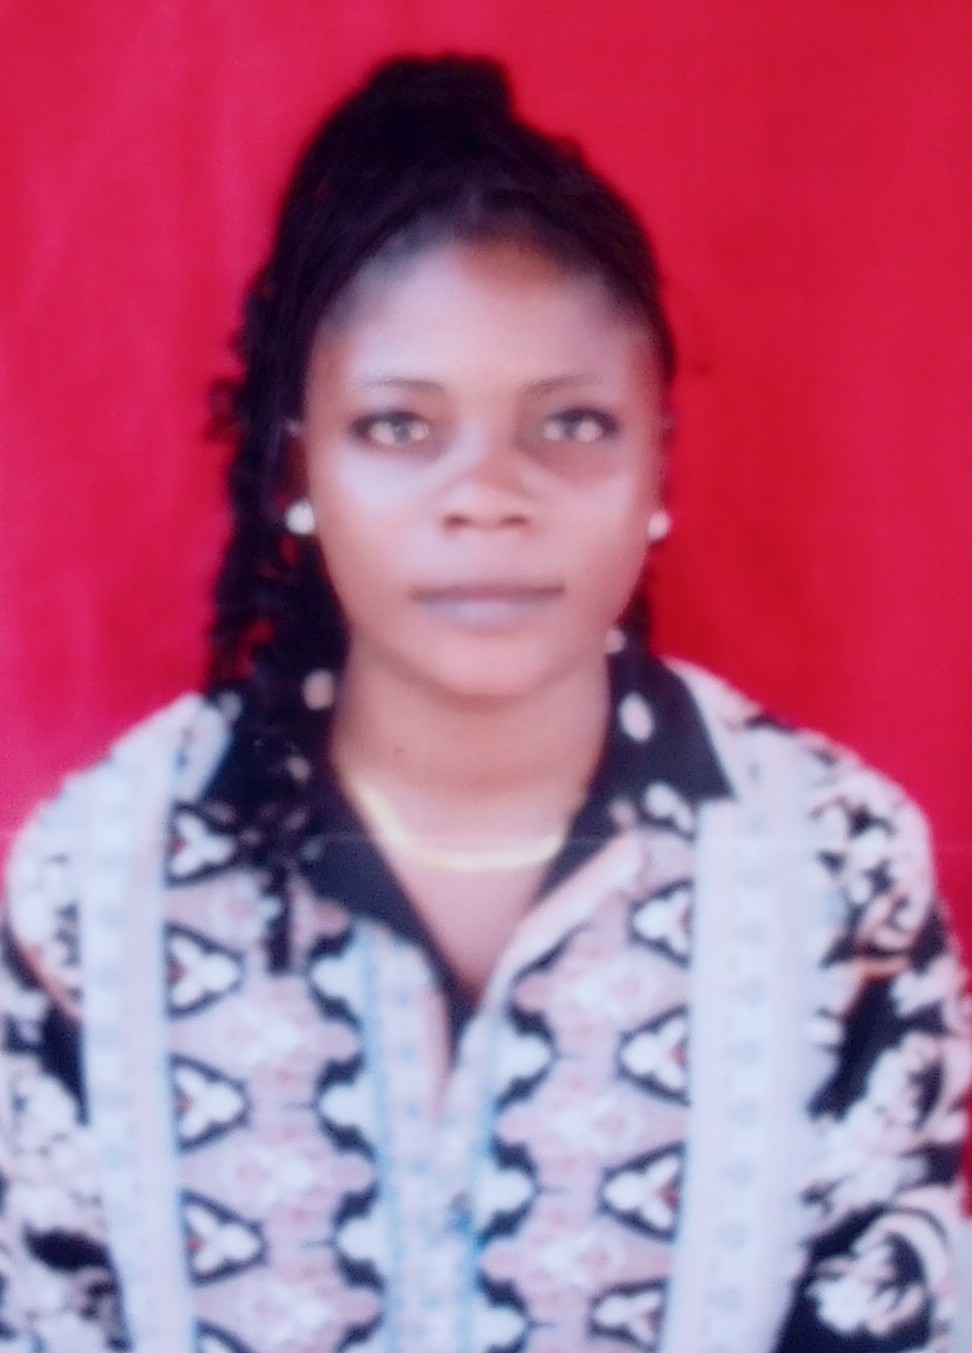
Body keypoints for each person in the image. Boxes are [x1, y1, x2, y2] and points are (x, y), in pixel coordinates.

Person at [1, 53, 968, 1353]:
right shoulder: (94, 882)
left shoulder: (840, 869)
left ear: (659, 466)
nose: (487, 498)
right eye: (400, 427)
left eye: (570, 426)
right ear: (297, 470)